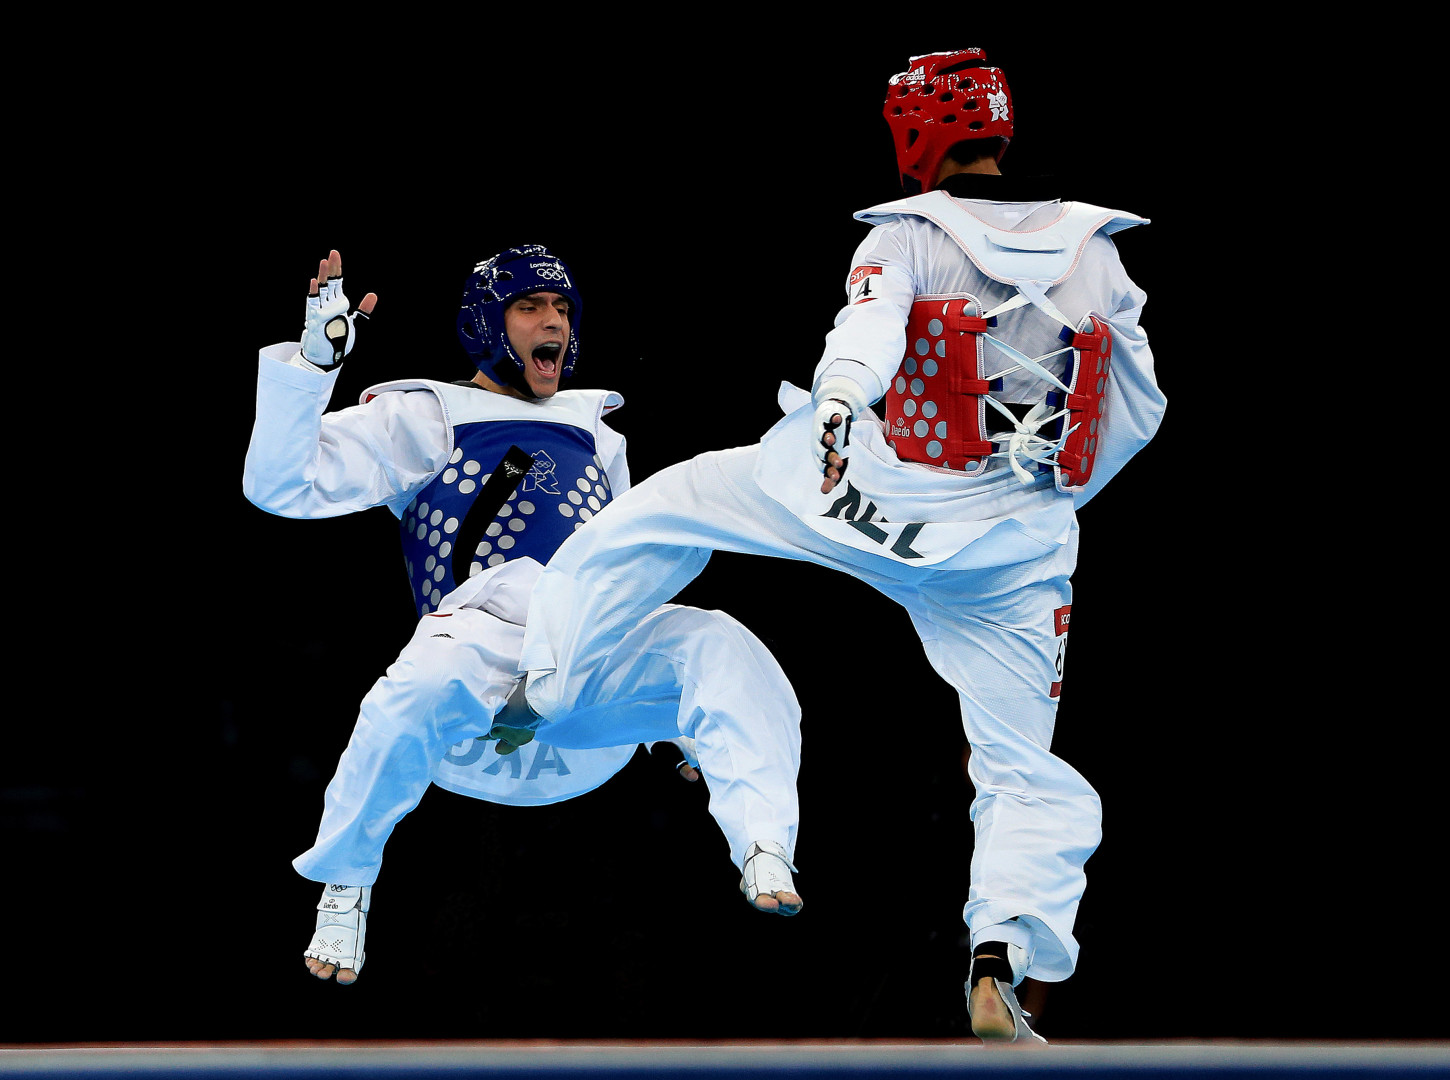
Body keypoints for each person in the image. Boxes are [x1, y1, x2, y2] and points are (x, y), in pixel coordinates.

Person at [513, 50, 1165, 1042]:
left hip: (861, 495)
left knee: (665, 509)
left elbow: (869, 329)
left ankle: (549, 674)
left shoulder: (908, 234)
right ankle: (1000, 952)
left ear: (914, 138)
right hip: (1007, 551)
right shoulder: (1098, 253)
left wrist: (842, 401)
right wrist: (1051, 494)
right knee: (1020, 766)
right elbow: (1136, 406)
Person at [243, 245, 804, 987]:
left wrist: (675, 723)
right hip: (475, 675)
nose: (555, 323)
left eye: (563, 308)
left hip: (580, 678)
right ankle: (346, 882)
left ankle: (763, 842)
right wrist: (314, 367)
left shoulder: (598, 433)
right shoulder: (426, 415)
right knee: (417, 683)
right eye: (531, 307)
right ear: (485, 324)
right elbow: (280, 485)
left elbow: (622, 581)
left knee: (718, 640)